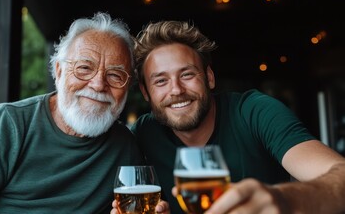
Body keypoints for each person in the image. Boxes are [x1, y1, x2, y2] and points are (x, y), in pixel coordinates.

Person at [0, 12, 149, 213]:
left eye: (115, 75)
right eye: (84, 68)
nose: (99, 84)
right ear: (59, 72)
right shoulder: (7, 124)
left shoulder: (124, 146)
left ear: (127, 87)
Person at [113, 20, 345, 213]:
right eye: (160, 81)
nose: (176, 90)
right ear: (145, 92)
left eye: (187, 74)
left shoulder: (254, 111)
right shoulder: (144, 133)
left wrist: (284, 199)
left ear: (209, 77)